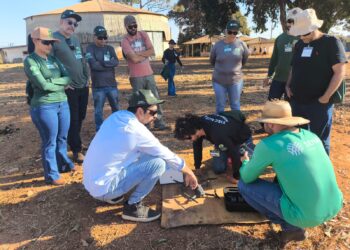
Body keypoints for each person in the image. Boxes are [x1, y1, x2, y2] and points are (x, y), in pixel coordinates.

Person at [83, 89, 198, 222]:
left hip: (92, 181)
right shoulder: (135, 130)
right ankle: (133, 207)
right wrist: (188, 172)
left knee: (151, 156)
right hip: (104, 189)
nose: (155, 116)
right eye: (153, 112)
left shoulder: (118, 116)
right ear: (139, 111)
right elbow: (165, 154)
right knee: (158, 163)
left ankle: (114, 194)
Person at [238, 100, 343, 245]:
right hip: (334, 204)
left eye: (264, 123)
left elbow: (247, 177)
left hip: (307, 215)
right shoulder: (310, 135)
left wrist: (245, 161)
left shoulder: (269, 144)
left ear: (270, 124)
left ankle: (291, 228)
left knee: (243, 186)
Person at [286, 8, 347, 154]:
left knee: (319, 140)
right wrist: (288, 85)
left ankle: (320, 170)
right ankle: (304, 164)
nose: (302, 37)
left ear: (315, 27)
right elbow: (294, 67)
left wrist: (325, 97)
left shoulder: (331, 42)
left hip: (319, 103)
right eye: (299, 33)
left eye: (305, 33)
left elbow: (340, 72)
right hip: (297, 101)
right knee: (300, 136)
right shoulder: (299, 44)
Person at [24, 27, 75, 185]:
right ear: (35, 41)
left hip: (62, 103)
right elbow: (42, 86)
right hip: (44, 106)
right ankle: (52, 175)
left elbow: (68, 77)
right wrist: (60, 83)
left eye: (51, 43)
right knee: (50, 141)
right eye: (46, 42)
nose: (49, 46)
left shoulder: (53, 59)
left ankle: (64, 165)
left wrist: (54, 83)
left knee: (62, 137)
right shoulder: (31, 61)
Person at [51, 10, 89, 163]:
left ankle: (75, 140)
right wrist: (63, 83)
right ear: (61, 22)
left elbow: (82, 60)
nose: (72, 26)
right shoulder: (53, 39)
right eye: (69, 22)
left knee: (80, 116)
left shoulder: (75, 39)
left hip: (83, 85)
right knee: (72, 118)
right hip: (69, 88)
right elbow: (51, 64)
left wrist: (87, 77)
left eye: (75, 24)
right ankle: (76, 150)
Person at [174, 111, 253, 183]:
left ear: (194, 130)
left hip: (242, 139)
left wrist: (236, 177)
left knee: (241, 157)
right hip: (223, 141)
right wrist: (197, 166)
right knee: (218, 169)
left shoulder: (217, 133)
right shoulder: (198, 125)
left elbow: (234, 152)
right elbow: (197, 147)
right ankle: (227, 155)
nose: (189, 140)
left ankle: (244, 154)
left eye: (189, 138)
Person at [121, 15, 168, 130]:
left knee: (155, 98)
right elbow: (134, 59)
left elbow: (152, 51)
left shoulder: (143, 34)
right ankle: (144, 124)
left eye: (134, 25)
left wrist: (138, 55)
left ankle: (159, 121)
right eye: (130, 26)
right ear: (126, 27)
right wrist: (144, 54)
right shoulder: (125, 41)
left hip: (149, 73)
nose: (133, 28)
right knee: (140, 102)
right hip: (136, 76)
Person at [210, 20, 249, 113]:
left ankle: (236, 126)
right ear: (225, 31)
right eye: (230, 32)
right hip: (219, 81)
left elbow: (244, 59)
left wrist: (235, 69)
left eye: (235, 32)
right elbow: (212, 61)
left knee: (235, 105)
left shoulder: (242, 45)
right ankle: (219, 126)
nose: (232, 35)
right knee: (220, 105)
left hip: (236, 81)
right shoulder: (217, 45)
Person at [86, 26, 119, 131]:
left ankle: (117, 128)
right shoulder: (90, 48)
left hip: (112, 85)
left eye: (105, 38)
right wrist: (108, 64)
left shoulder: (110, 48)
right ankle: (99, 130)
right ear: (94, 37)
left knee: (116, 109)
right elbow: (93, 65)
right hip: (98, 86)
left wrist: (101, 62)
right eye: (100, 38)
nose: (103, 40)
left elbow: (116, 62)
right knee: (98, 111)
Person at [263, 8, 301, 100]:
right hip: (278, 79)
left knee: (291, 110)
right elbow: (274, 59)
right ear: (287, 22)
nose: (293, 23)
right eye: (291, 20)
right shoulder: (280, 38)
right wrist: (269, 75)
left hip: (295, 81)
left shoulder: (304, 39)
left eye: (296, 20)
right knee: (272, 105)